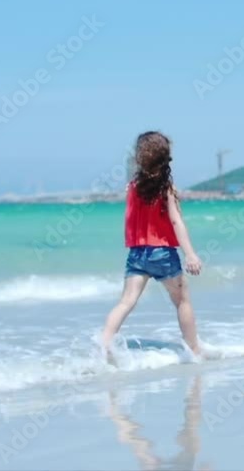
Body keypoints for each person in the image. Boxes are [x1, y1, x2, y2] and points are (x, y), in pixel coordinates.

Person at [102, 131, 203, 357]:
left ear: (140, 158)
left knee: (126, 302)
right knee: (182, 301)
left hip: (137, 254)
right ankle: (195, 351)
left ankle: (103, 345)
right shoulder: (166, 188)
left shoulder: (132, 187)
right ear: (165, 158)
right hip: (163, 253)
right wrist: (191, 255)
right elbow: (176, 221)